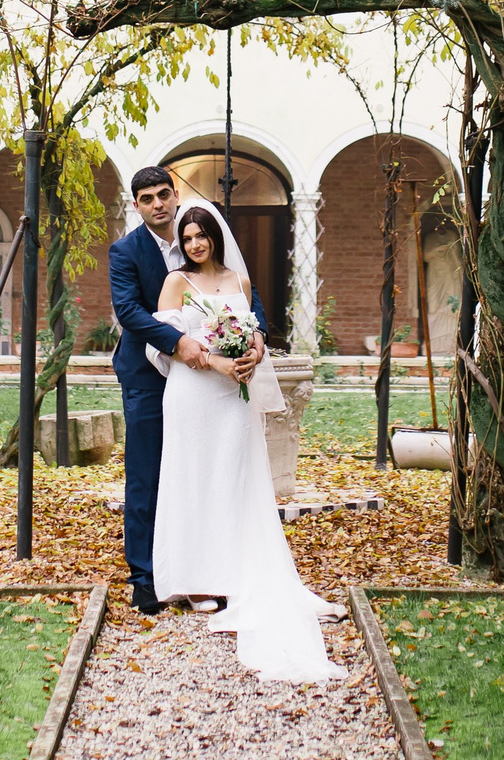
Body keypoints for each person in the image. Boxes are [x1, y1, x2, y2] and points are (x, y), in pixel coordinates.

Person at [148, 199, 345, 682]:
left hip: (233, 397)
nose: (195, 244)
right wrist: (215, 361)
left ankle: (232, 572)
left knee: (232, 480)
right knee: (193, 479)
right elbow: (166, 345)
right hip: (193, 394)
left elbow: (254, 328)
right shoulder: (176, 282)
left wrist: (253, 353)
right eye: (187, 238)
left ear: (215, 236)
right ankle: (195, 580)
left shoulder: (239, 280)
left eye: (201, 235)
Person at [108, 164, 261, 615]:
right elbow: (129, 311)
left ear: (175, 195)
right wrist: (178, 343)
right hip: (147, 375)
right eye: (147, 199)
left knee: (206, 473)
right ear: (136, 206)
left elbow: (248, 303)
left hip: (211, 384)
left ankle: (208, 568)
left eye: (163, 195)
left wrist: (256, 342)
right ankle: (145, 577)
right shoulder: (126, 251)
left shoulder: (203, 237)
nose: (157, 204)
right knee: (147, 475)